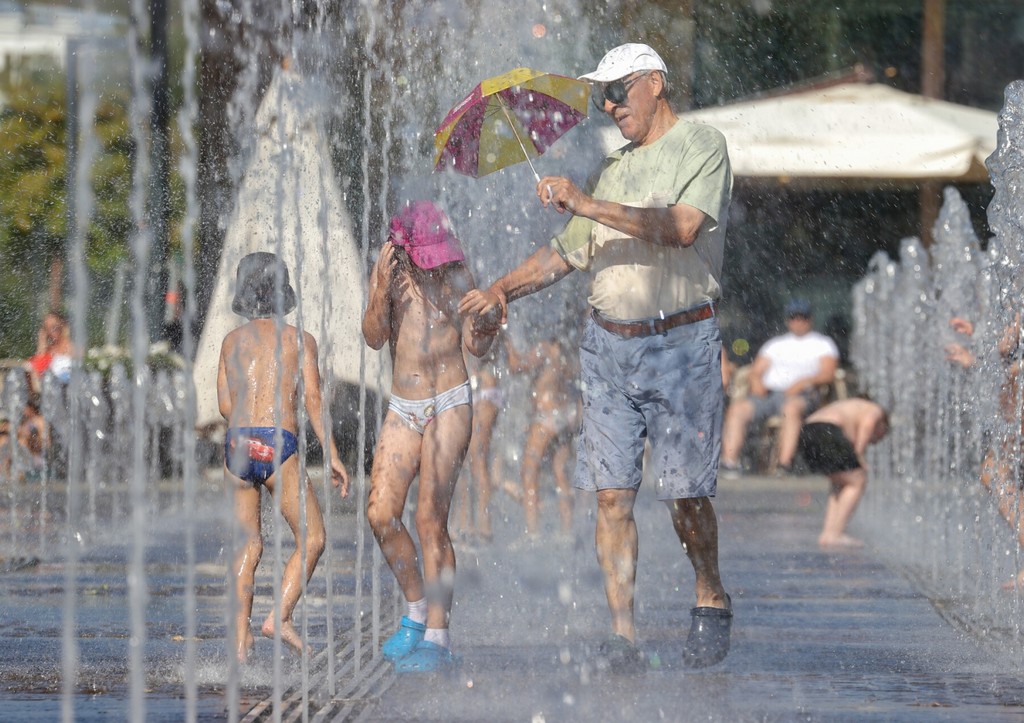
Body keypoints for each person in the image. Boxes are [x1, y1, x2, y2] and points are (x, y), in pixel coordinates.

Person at [460, 42, 733, 670]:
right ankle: (622, 635)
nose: (608, 104)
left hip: (680, 343)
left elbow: (683, 227)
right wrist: (501, 288)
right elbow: (565, 253)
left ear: (656, 84)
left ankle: (709, 591)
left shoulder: (701, 145)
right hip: (608, 347)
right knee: (612, 496)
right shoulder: (613, 169)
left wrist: (587, 203)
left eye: (619, 90)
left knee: (684, 494)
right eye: (602, 94)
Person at [362, 201, 495, 673]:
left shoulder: (459, 272)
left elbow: (476, 346)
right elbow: (374, 337)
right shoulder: (391, 272)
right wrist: (379, 290)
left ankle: (438, 638)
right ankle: (416, 610)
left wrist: (489, 322)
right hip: (404, 404)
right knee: (380, 513)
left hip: (450, 401)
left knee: (428, 519)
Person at [217, 252, 350, 663]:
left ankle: (240, 642)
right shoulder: (299, 339)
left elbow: (224, 405)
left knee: (248, 546)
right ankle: (280, 617)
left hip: (239, 444)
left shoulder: (231, 342)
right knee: (313, 538)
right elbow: (312, 399)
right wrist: (333, 453)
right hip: (278, 443)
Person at [720, 299, 839, 475]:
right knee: (738, 409)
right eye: (794, 317)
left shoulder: (822, 344)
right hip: (769, 394)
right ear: (787, 320)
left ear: (810, 320)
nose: (798, 322)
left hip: (802, 395)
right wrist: (757, 383)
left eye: (802, 318)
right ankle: (729, 462)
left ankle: (784, 464)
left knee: (790, 409)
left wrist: (802, 383)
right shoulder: (776, 344)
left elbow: (828, 373)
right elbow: (756, 370)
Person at [512, 332, 580, 538]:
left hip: (545, 417)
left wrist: (506, 342)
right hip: (565, 414)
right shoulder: (564, 350)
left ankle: (532, 532)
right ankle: (567, 531)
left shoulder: (543, 346)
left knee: (529, 472)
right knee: (561, 471)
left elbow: (517, 366)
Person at [797, 397, 889, 548]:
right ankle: (835, 534)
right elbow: (868, 424)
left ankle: (828, 533)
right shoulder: (875, 409)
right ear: (883, 425)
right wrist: (859, 454)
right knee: (858, 480)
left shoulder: (852, 405)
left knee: (840, 482)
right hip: (826, 430)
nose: (876, 441)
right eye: (880, 436)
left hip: (806, 432)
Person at [453, 331, 510, 544]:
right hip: (476, 387)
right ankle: (465, 523)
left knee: (477, 458)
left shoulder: (489, 314)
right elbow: (514, 363)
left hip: (485, 388)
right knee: (465, 460)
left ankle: (484, 526)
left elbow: (512, 361)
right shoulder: (478, 313)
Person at [25, 310, 74, 391]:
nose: (51, 331)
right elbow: (34, 369)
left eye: (55, 327)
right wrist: (41, 345)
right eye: (47, 328)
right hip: (49, 391)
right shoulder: (48, 351)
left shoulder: (73, 348)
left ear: (63, 325)